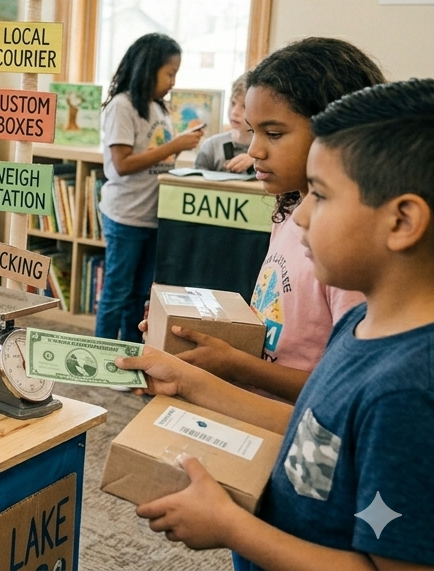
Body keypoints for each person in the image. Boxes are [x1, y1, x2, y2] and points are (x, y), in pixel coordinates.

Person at [116, 78, 434, 571]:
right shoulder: (362, 330)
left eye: (322, 196)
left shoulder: (407, 392)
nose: (301, 214)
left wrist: (232, 526)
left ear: (402, 222)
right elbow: (314, 434)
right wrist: (193, 382)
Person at [158, 39, 384, 402]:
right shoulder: (291, 206)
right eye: (252, 131)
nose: (254, 151)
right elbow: (274, 315)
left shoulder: (349, 247)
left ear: (336, 132)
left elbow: (348, 391)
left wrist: (234, 364)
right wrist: (187, 327)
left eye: (274, 134)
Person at [95, 33, 205, 343]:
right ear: (149, 68)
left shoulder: (157, 108)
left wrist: (179, 147)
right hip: (126, 215)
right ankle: (101, 359)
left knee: (140, 295)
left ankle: (130, 355)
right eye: (169, 73)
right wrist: (174, 145)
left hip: (153, 215)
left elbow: (155, 156)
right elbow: (122, 164)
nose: (173, 81)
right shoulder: (122, 105)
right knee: (117, 291)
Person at [194, 73, 255, 173]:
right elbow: (195, 185)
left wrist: (257, 160)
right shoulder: (211, 147)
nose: (234, 112)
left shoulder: (269, 151)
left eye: (244, 106)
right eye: (233, 103)